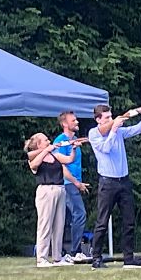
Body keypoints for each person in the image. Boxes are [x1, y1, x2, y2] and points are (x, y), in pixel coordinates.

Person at [87, 102, 141, 268]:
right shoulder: (94, 134)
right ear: (98, 120)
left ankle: (129, 257)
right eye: (107, 118)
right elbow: (106, 148)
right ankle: (96, 258)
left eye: (111, 116)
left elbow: (136, 130)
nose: (111, 119)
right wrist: (113, 129)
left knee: (129, 221)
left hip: (123, 181)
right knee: (102, 222)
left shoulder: (117, 131)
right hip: (108, 182)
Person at [24, 132, 78, 267]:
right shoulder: (36, 157)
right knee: (45, 226)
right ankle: (41, 258)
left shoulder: (54, 155)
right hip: (46, 191)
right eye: (45, 140)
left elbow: (69, 160)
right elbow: (33, 165)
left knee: (59, 226)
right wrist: (46, 151)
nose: (49, 141)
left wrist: (74, 149)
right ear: (38, 144)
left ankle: (57, 258)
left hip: (60, 189)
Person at [52, 111, 90, 261]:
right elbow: (61, 165)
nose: (77, 122)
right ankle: (75, 251)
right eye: (73, 120)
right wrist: (76, 183)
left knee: (67, 219)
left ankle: (62, 252)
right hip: (67, 183)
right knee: (79, 214)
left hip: (73, 183)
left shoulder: (74, 140)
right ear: (64, 124)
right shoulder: (61, 141)